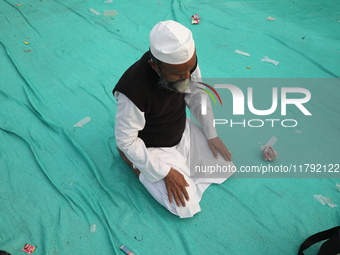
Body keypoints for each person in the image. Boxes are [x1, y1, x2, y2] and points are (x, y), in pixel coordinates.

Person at [113, 20, 235, 218]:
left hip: (180, 130)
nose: (187, 76)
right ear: (155, 66)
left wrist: (211, 134)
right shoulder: (132, 91)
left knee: (224, 164)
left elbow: (196, 94)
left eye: (190, 68)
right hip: (153, 147)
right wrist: (164, 173)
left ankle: (175, 166)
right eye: (179, 74)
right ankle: (134, 165)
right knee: (185, 206)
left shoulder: (185, 65)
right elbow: (125, 140)